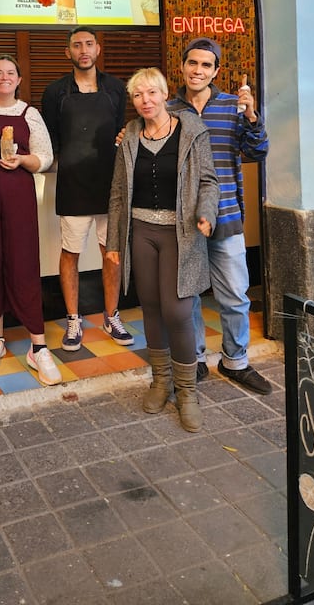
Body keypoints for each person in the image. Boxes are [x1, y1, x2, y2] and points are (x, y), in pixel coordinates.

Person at [106, 67, 218, 431]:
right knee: (151, 307)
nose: (145, 100)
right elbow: (118, 192)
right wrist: (113, 243)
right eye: (138, 95)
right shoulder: (130, 136)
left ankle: (187, 392)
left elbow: (209, 181)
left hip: (180, 233)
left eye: (152, 93)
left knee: (178, 310)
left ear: (165, 94)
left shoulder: (192, 131)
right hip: (141, 232)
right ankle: (160, 380)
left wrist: (206, 213)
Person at [168, 37, 271, 395]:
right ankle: (194, 358)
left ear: (216, 71)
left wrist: (252, 117)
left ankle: (235, 361)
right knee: (189, 297)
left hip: (226, 216)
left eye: (206, 65)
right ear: (182, 66)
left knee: (235, 297)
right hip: (184, 222)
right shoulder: (168, 109)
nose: (198, 70)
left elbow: (257, 151)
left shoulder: (232, 106)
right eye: (192, 63)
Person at [0, 55, 61, 386]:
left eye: (10, 73)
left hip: (18, 195)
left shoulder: (29, 113)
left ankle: (38, 344)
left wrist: (22, 160)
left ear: (19, 79)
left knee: (23, 263)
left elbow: (45, 158)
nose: (4, 77)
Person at [42, 26, 132, 351]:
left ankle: (112, 315)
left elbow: (121, 132)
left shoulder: (116, 88)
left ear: (97, 49)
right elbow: (50, 138)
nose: (83, 50)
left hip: (110, 184)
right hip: (73, 185)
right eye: (77, 45)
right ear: (68, 52)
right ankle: (73, 319)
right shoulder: (55, 92)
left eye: (89, 44)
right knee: (70, 253)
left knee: (112, 253)